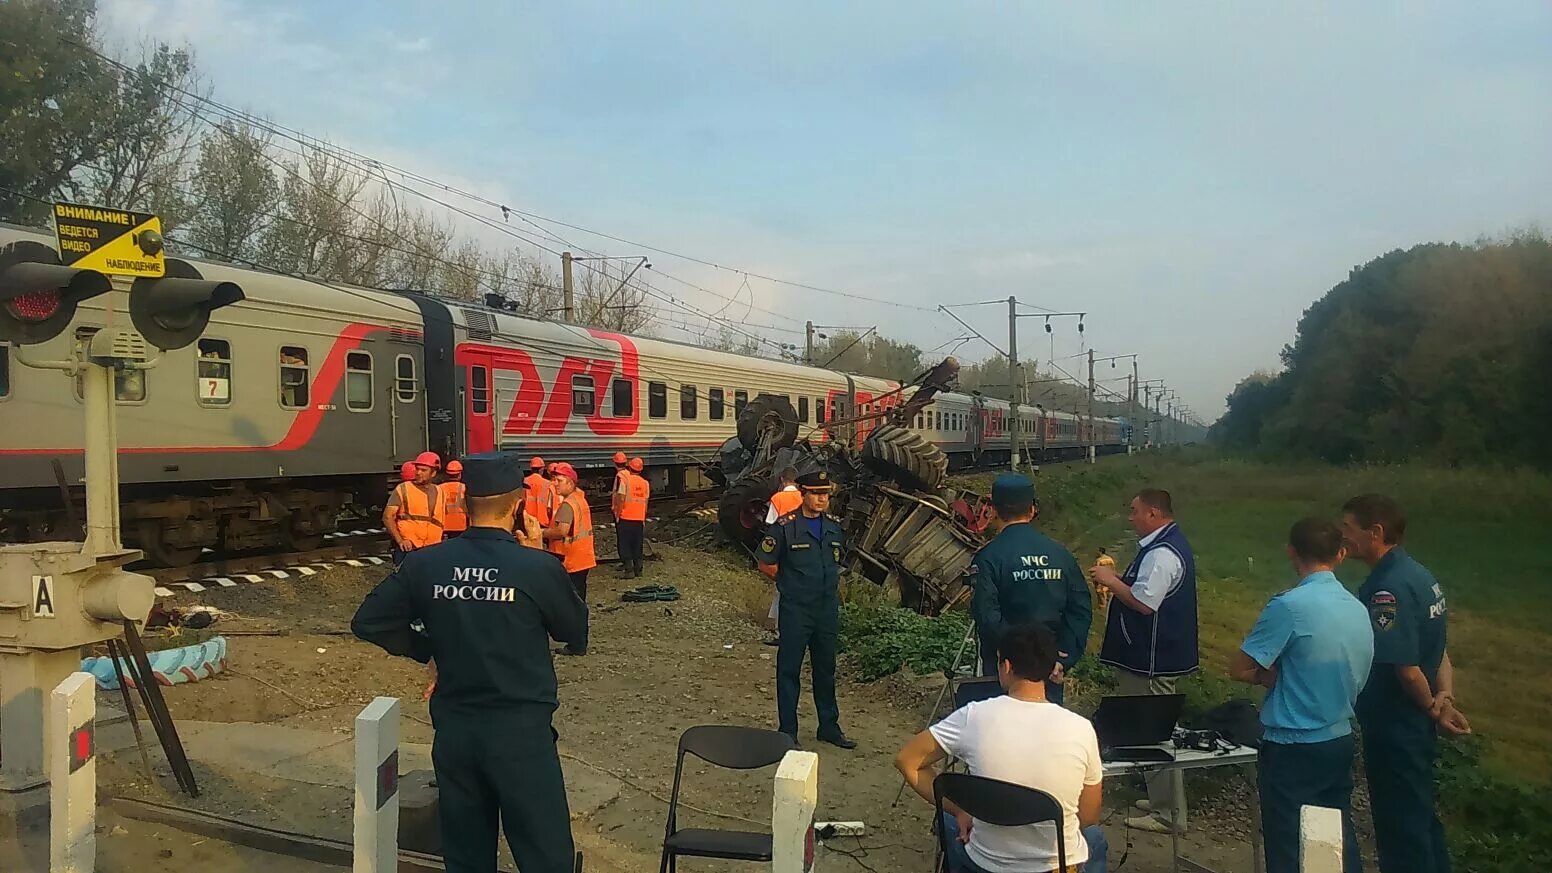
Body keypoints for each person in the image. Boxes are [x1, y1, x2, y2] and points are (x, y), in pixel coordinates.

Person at [350, 453, 588, 873]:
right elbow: (574, 630)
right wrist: (537, 554)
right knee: (544, 852)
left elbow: (369, 622)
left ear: (462, 503)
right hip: (521, 735)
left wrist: (429, 649)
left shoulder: (426, 563)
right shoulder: (536, 567)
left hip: (457, 731)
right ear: (518, 506)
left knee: (466, 854)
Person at [896, 623, 1108, 873]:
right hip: (1057, 866)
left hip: (985, 864)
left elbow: (906, 760)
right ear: (1052, 670)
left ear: (1006, 666)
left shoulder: (973, 716)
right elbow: (1088, 816)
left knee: (948, 821)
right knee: (1094, 839)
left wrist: (959, 810)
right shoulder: (1081, 728)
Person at [1230, 518, 1374, 873]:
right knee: (1335, 838)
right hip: (1338, 734)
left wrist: (1265, 676)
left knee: (1289, 844)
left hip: (1293, 743)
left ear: (1291, 551)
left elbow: (1239, 667)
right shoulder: (1357, 606)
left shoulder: (1289, 606)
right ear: (1340, 555)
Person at [1341, 494, 1469, 873]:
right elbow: (1439, 650)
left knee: (1401, 827)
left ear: (1375, 532)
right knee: (1421, 816)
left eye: (1349, 528)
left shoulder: (1387, 589)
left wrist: (1430, 705)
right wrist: (1444, 696)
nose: (1343, 536)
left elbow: (1407, 668)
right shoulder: (1420, 575)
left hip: (1396, 722)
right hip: (1416, 721)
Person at [1090, 488, 1198, 834]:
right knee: (1146, 728)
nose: (1131, 517)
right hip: (1150, 657)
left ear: (1153, 513)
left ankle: (1169, 814)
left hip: (1153, 659)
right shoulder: (1162, 546)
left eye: (1135, 511)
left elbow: (1144, 603)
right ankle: (1159, 799)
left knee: (1154, 732)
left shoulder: (1162, 554)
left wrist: (1111, 581)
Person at [968, 473, 1091, 707]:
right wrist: (1064, 656)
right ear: (1032, 510)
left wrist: (1020, 660)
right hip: (1050, 666)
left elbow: (987, 616)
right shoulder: (1060, 554)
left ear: (992, 511)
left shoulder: (988, 557)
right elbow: (1080, 609)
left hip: (1006, 671)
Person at [756, 469, 856, 749]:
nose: (822, 498)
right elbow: (765, 563)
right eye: (816, 493)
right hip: (797, 610)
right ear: (804, 494)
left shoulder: (834, 528)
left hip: (826, 611)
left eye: (825, 494)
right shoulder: (786, 527)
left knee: (826, 669)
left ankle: (829, 726)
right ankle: (787, 731)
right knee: (789, 670)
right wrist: (791, 583)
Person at [543, 462, 596, 655]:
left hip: (571, 560)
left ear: (570, 483)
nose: (555, 483)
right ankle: (579, 643)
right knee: (579, 603)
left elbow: (561, 531)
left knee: (574, 605)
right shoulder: (579, 499)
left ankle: (577, 645)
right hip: (582, 557)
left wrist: (540, 533)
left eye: (559, 480)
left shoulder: (567, 504)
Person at [762, 466, 803, 645]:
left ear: (782, 480)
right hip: (802, 546)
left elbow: (770, 523)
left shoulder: (777, 498)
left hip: (783, 547)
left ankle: (781, 631)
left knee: (783, 588)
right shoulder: (803, 497)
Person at [384, 452, 446, 565]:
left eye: (423, 470)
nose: (418, 473)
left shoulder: (440, 491)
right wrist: (400, 540)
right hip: (409, 547)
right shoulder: (403, 489)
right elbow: (387, 517)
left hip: (433, 547)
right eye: (417, 469)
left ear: (434, 473)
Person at [614, 457, 650, 578]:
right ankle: (639, 570)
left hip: (626, 518)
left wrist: (618, 514)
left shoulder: (626, 481)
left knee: (625, 544)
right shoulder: (645, 483)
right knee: (637, 544)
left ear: (629, 468)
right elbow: (645, 502)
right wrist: (643, 518)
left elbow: (621, 498)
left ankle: (629, 570)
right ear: (641, 470)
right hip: (639, 519)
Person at [524, 456, 555, 529]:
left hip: (527, 520)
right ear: (542, 469)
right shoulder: (547, 484)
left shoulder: (524, 482)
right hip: (542, 520)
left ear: (531, 469)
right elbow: (550, 506)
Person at [440, 459, 468, 538]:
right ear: (460, 474)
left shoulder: (439, 488)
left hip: (443, 526)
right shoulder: (464, 488)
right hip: (461, 526)